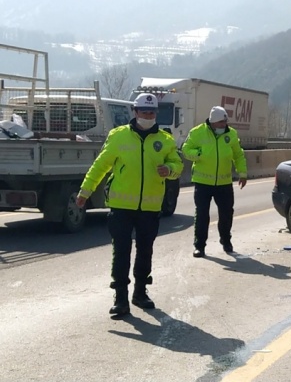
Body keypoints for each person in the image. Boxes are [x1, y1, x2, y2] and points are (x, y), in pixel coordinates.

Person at [75, 93, 183, 316]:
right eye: (144, 112)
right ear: (135, 112)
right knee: (121, 252)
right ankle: (121, 299)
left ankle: (140, 293)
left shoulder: (164, 140)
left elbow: (177, 164)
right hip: (121, 207)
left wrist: (169, 170)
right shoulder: (118, 137)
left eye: (152, 112)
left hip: (150, 208)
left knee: (145, 251)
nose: (148, 115)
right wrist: (85, 192)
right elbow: (100, 166)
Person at [182, 105, 247, 257]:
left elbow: (238, 154)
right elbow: (185, 150)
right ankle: (199, 246)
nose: (223, 125)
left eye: (225, 122)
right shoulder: (197, 133)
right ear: (212, 122)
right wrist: (199, 153)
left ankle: (226, 240)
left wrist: (242, 173)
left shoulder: (231, 134)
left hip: (224, 183)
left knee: (226, 214)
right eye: (220, 123)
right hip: (202, 182)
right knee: (202, 215)